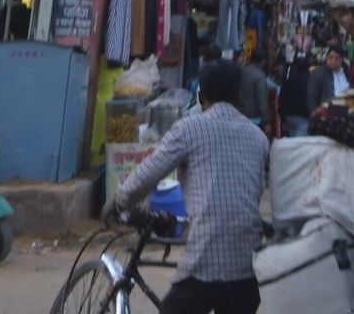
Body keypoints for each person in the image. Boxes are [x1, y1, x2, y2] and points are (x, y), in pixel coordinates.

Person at [105, 61, 269, 314]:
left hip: (207, 259)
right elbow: (253, 192)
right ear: (238, 96)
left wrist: (119, 201)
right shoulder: (258, 137)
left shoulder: (190, 128)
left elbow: (148, 174)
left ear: (201, 94)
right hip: (248, 264)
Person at [306, 46, 348, 114]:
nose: (333, 60)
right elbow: (311, 98)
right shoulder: (319, 74)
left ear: (342, 59)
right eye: (330, 57)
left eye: (336, 58)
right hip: (326, 112)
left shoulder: (346, 73)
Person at [237, 49, 271, 132]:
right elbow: (262, 100)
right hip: (254, 117)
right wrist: (267, 121)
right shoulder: (259, 75)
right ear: (263, 61)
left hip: (238, 114)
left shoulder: (240, 71)